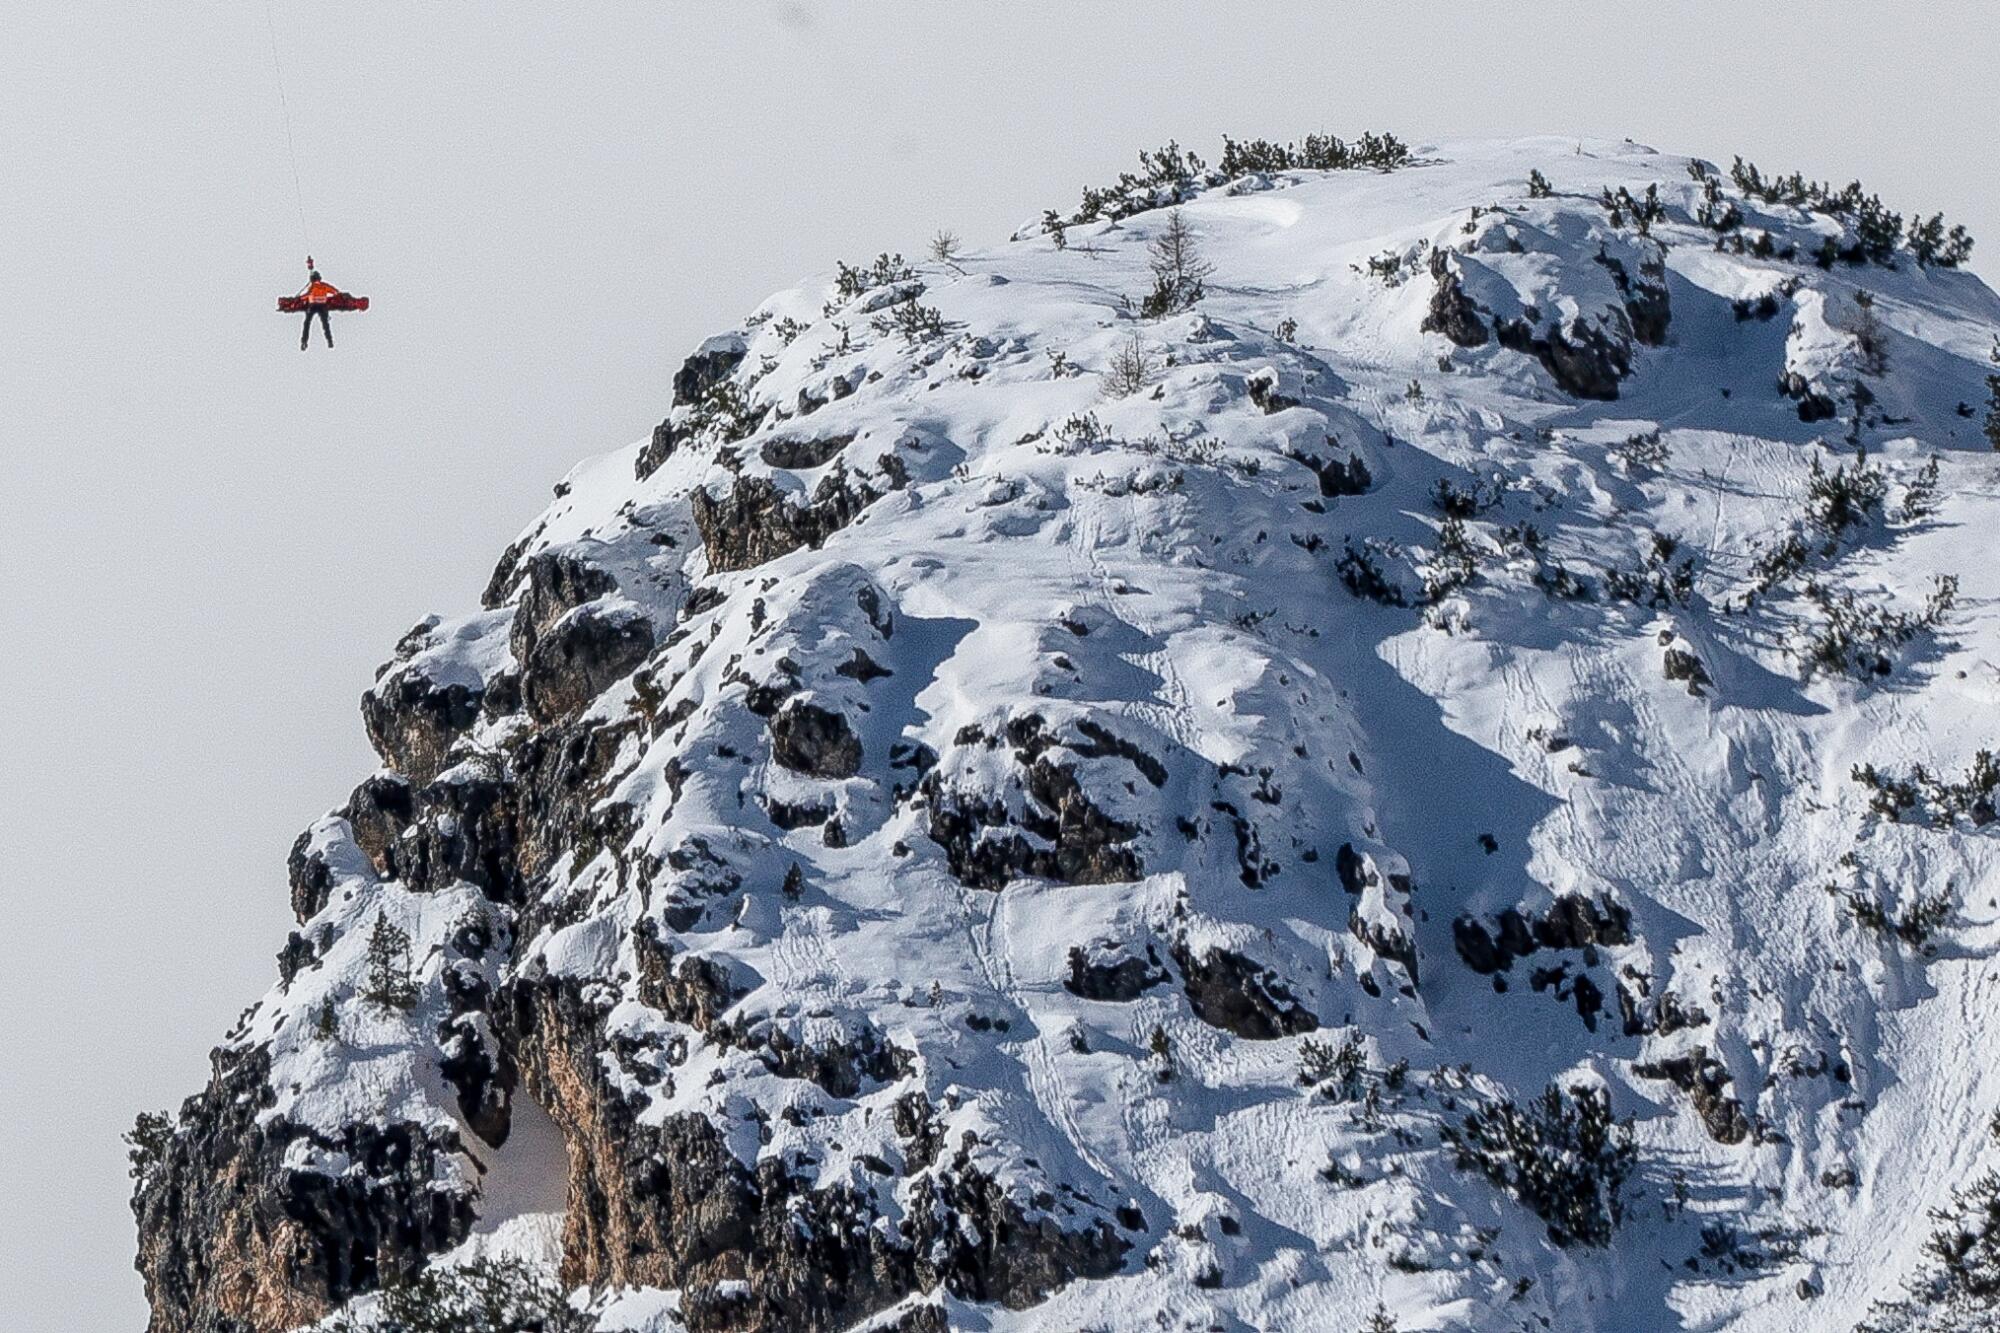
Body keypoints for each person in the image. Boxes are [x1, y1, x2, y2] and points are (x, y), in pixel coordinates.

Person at [299, 268, 339, 350]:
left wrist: (300, 298)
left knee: (307, 324)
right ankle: (330, 342)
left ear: (312, 279)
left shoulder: (312, 286)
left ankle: (304, 342)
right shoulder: (324, 286)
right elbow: (335, 292)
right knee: (325, 325)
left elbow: (307, 294)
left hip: (312, 306)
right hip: (323, 306)